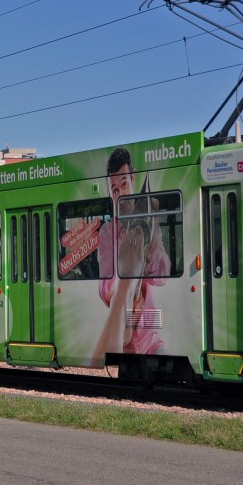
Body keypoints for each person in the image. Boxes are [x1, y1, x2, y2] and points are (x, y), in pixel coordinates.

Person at [93, 147, 169, 361]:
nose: (120, 195)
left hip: (150, 339)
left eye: (124, 184)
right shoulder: (107, 233)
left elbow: (163, 275)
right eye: (114, 190)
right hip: (122, 340)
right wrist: (126, 267)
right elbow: (105, 289)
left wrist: (151, 247)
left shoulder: (148, 220)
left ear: (133, 178)